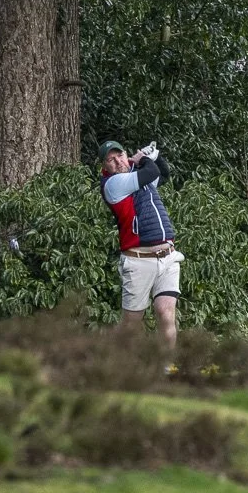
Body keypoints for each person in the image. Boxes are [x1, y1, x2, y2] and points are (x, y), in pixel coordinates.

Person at [98, 139, 181, 345]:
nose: (118, 162)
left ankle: (166, 363)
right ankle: (109, 357)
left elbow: (162, 174)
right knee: (131, 323)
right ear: (105, 166)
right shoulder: (113, 184)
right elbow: (151, 172)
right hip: (138, 261)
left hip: (168, 257)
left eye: (120, 155)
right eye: (111, 160)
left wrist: (155, 156)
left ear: (126, 155)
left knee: (166, 312)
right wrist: (143, 159)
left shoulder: (137, 177)